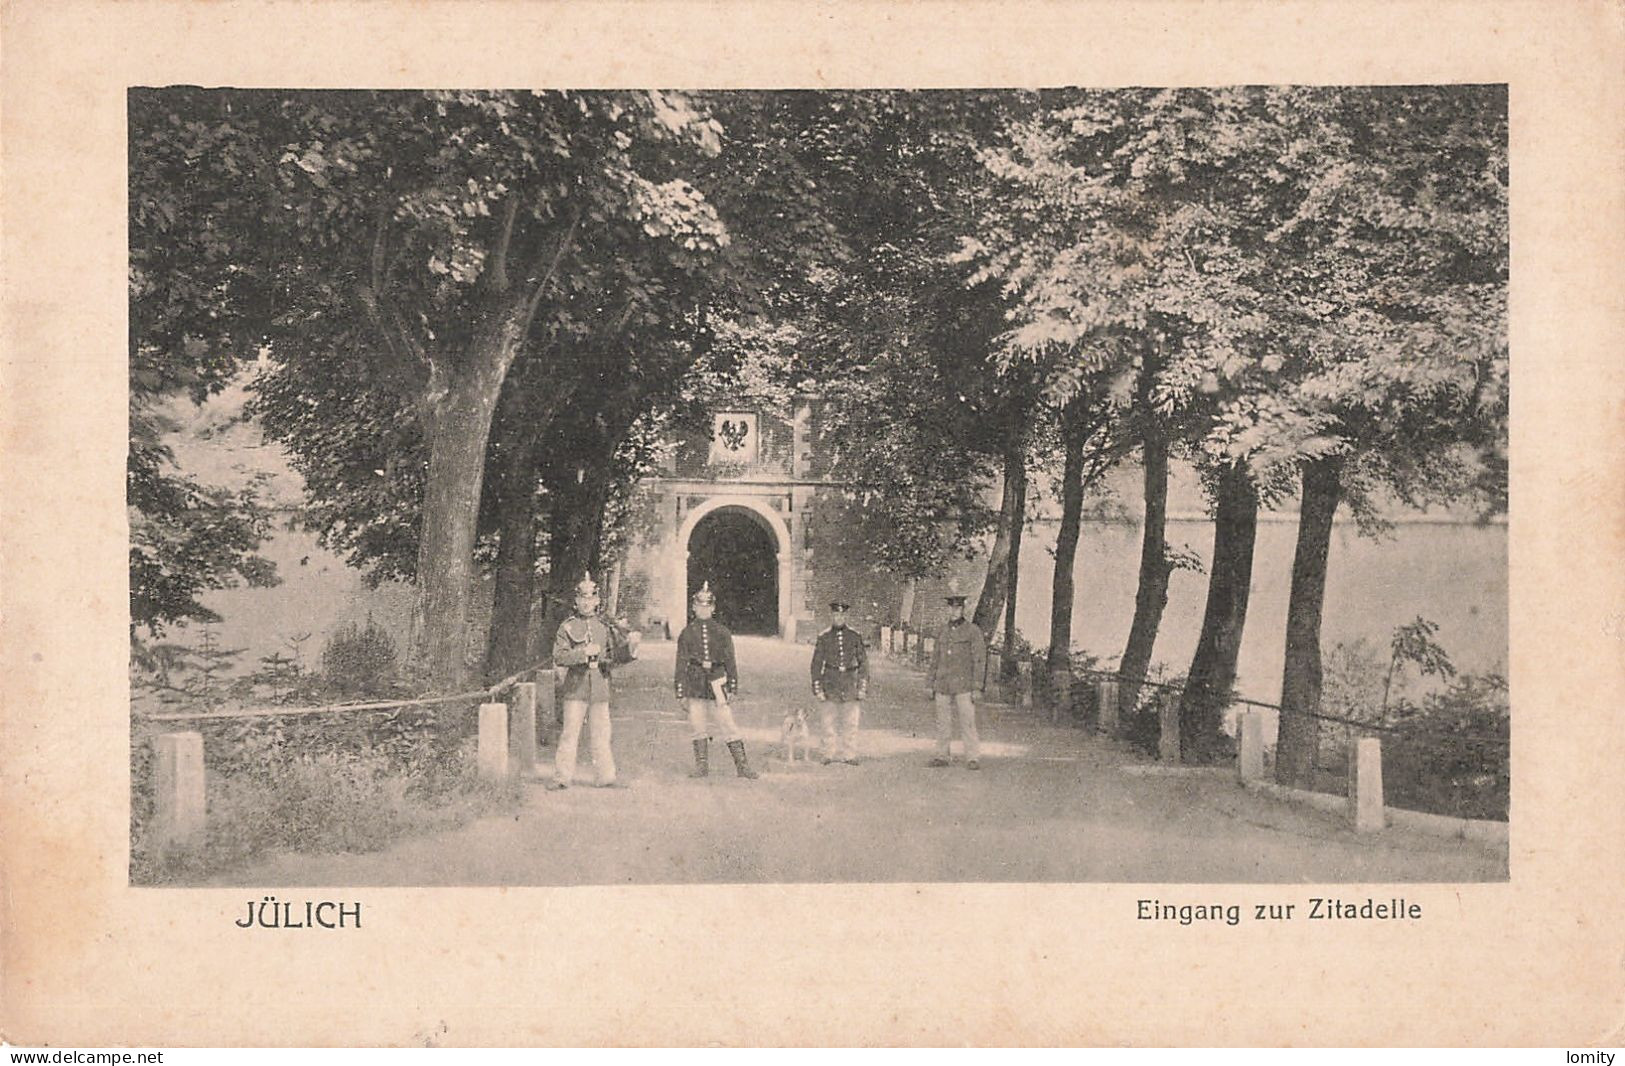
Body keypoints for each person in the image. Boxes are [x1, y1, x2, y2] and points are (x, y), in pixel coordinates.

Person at [548, 572, 628, 790]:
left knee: (602, 734)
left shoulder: (605, 627)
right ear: (576, 601)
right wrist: (582, 654)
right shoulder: (567, 627)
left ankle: (606, 776)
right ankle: (562, 777)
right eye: (582, 599)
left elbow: (615, 657)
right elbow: (559, 656)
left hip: (599, 687)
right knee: (569, 734)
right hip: (575, 688)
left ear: (597, 601)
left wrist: (624, 651)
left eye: (591, 599)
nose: (586, 603)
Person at [675, 581, 757, 780]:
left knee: (727, 723)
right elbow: (681, 664)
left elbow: (730, 662)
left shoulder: (722, 632)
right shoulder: (686, 633)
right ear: (693, 607)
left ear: (713, 608)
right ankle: (701, 767)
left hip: (717, 682)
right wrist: (680, 692)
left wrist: (732, 687)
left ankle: (742, 766)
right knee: (697, 725)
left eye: (707, 606)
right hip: (695, 683)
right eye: (699, 606)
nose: (703, 610)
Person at [926, 580, 987, 770]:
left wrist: (977, 687)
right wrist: (930, 683)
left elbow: (979, 660)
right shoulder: (943, 632)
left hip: (964, 685)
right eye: (951, 608)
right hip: (943, 684)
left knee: (967, 722)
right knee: (942, 722)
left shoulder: (972, 631)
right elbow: (935, 659)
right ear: (947, 610)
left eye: (957, 608)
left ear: (963, 610)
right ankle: (942, 755)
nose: (953, 612)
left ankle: (972, 757)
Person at [811, 598, 868, 765]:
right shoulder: (824, 637)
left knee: (851, 722)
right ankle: (828, 753)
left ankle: (849, 754)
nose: (839, 618)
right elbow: (816, 665)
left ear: (846, 616)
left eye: (842, 615)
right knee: (828, 722)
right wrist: (818, 688)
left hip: (850, 683)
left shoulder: (854, 637)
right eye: (836, 614)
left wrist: (862, 686)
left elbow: (864, 663)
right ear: (831, 616)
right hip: (831, 683)